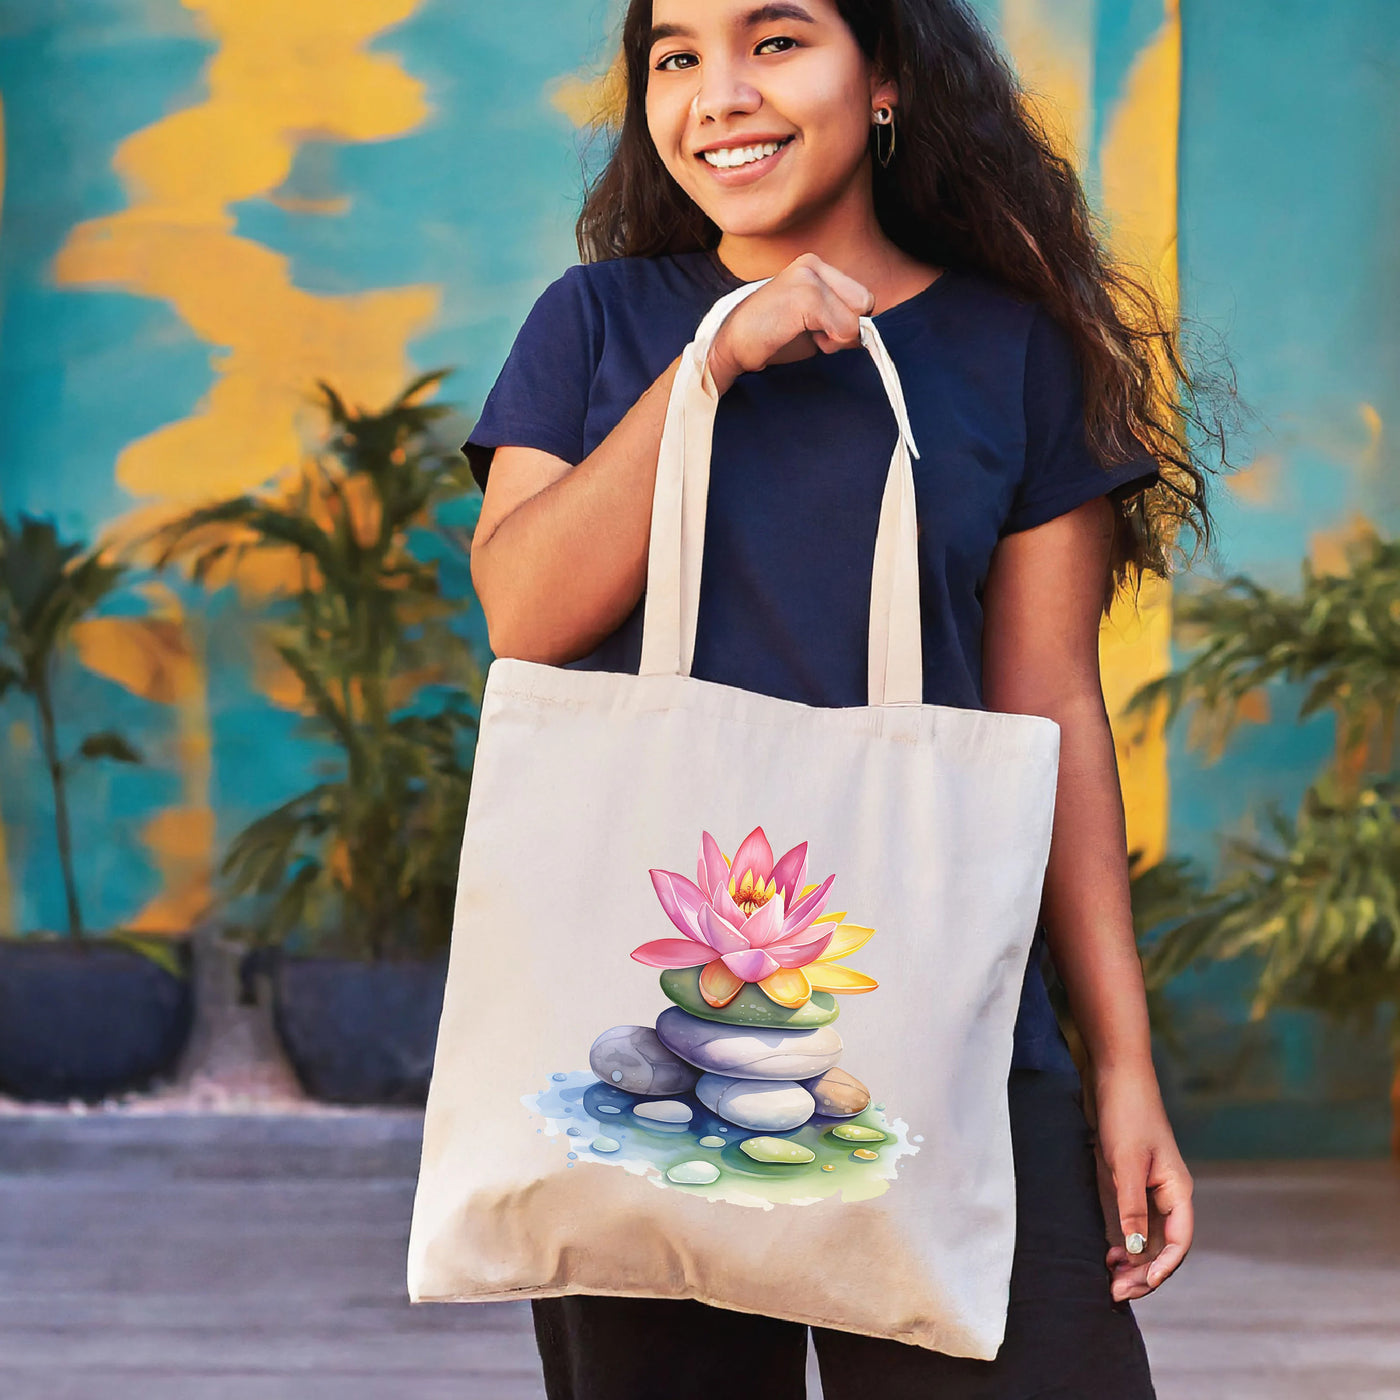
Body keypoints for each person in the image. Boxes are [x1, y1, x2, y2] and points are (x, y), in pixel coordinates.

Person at [463, 1, 1222, 1395]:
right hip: (643, 1039)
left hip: (952, 1033)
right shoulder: (598, 323)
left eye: (775, 40)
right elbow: (524, 609)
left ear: (885, 80)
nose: (718, 93)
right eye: (676, 55)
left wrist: (1123, 1069)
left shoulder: (1011, 353)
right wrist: (716, 357)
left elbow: (1049, 715)